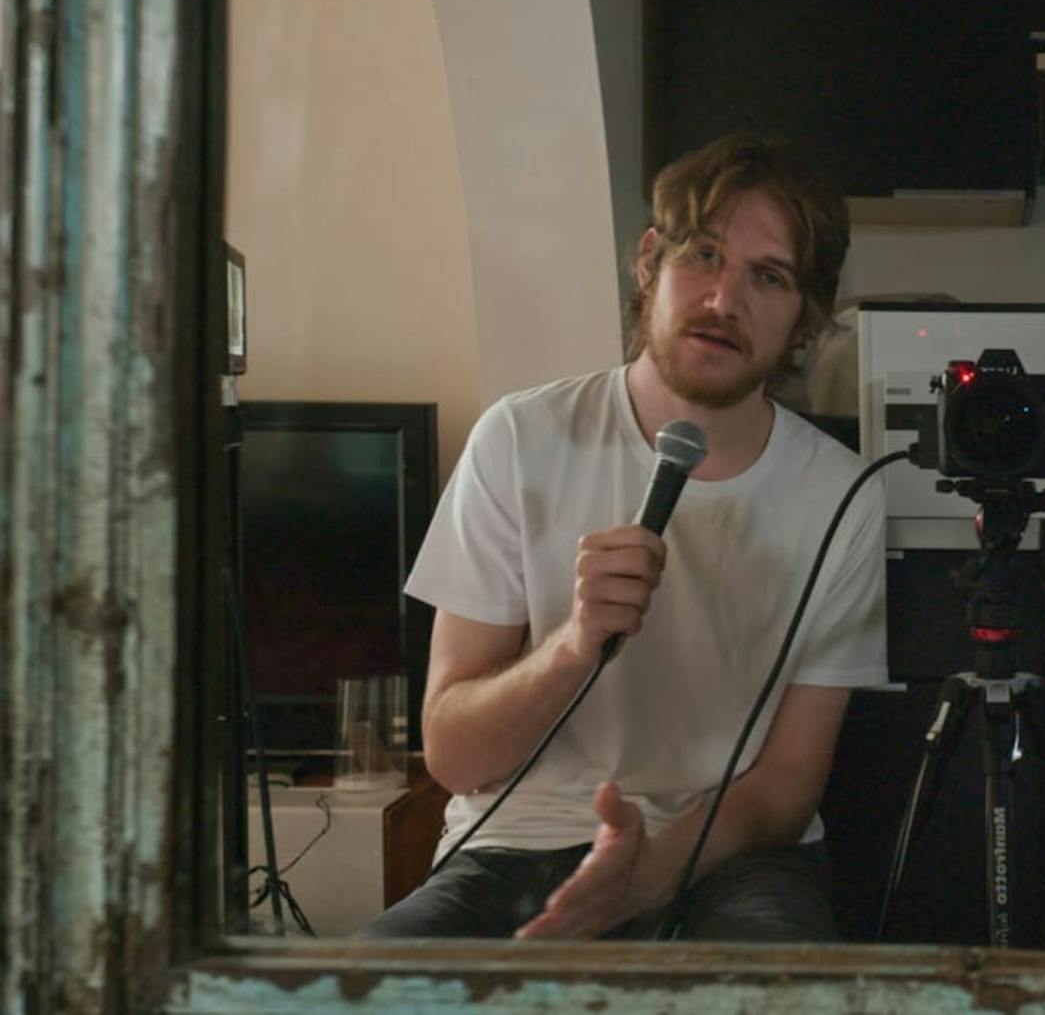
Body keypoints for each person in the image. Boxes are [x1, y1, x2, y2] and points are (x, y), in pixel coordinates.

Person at [360, 135, 886, 942]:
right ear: (650, 261)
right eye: (703, 254)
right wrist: (573, 644)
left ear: (806, 321)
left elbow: (787, 786)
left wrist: (653, 869)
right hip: (516, 840)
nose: (722, 298)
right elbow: (455, 756)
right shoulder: (518, 437)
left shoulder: (843, 493)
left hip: (731, 854)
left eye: (768, 276)